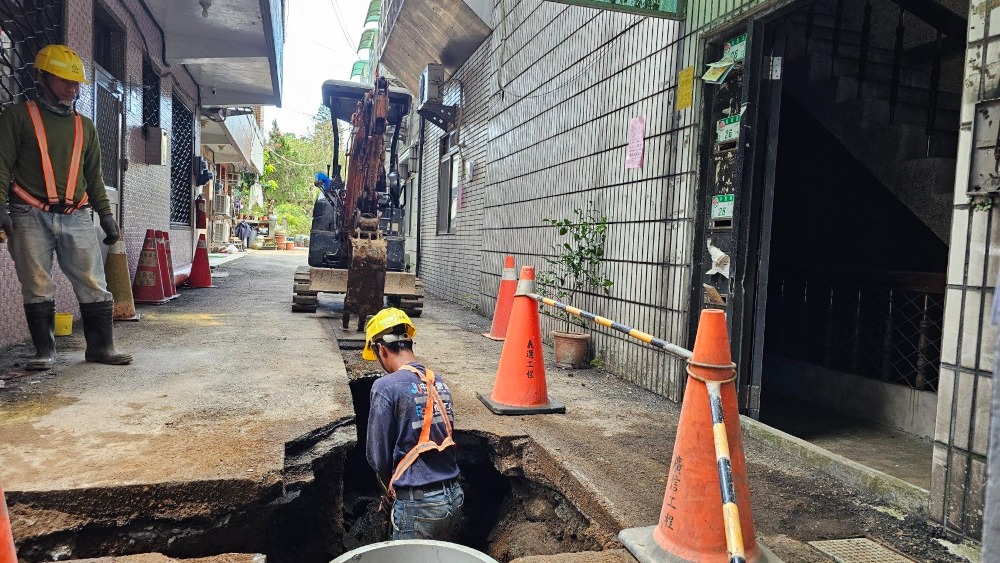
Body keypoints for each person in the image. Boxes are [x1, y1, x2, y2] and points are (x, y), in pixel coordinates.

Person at [0, 44, 131, 370]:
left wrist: (106, 215)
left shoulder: (84, 126)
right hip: (27, 213)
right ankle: (45, 351)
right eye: (64, 81)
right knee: (37, 283)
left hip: (77, 215)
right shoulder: (17, 117)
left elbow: (94, 177)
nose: (72, 88)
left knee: (93, 282)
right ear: (41, 77)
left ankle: (101, 348)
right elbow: (1, 164)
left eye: (76, 83)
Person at [363, 307, 463, 540]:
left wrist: (391, 487)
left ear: (381, 349)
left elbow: (377, 456)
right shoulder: (439, 382)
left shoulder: (386, 387)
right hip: (454, 498)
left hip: (418, 506)